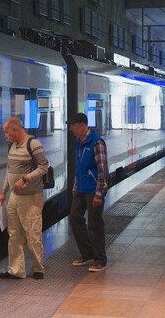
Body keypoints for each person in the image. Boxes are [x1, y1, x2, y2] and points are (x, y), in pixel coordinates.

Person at [0, 117, 49, 280]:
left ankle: (38, 268)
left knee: (32, 232)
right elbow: (9, 170)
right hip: (14, 196)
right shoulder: (11, 146)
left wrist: (25, 179)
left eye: (7, 132)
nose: (5, 136)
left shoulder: (33, 144)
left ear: (15, 129)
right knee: (14, 233)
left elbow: (43, 167)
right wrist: (4, 190)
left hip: (31, 196)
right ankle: (16, 269)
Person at [67, 112, 109, 272]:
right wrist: (74, 188)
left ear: (82, 126)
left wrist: (100, 194)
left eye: (73, 126)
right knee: (75, 218)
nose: (71, 129)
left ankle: (100, 259)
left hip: (93, 190)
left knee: (95, 224)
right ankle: (87, 253)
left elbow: (103, 169)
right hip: (81, 189)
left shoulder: (97, 142)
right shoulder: (79, 142)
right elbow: (80, 167)